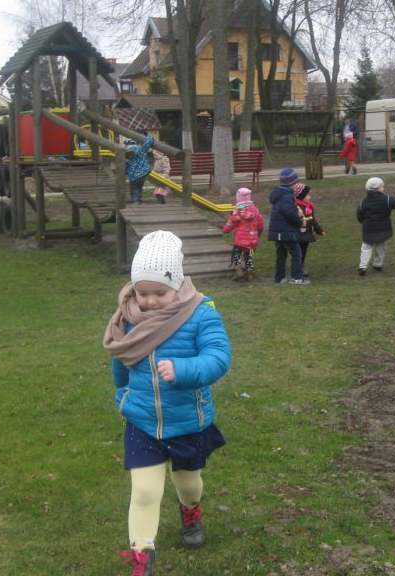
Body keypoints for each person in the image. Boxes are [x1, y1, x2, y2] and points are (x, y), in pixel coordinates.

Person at [103, 230, 232, 576]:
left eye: (159, 292)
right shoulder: (128, 316)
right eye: (142, 292)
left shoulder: (201, 314)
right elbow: (122, 360)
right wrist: (123, 394)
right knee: (144, 492)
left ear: (177, 283)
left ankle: (191, 511)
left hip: (187, 421)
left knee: (188, 484)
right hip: (142, 422)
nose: (149, 301)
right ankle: (141, 559)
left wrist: (183, 369)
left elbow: (219, 357)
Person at [357, 177, 395, 276]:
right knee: (380, 247)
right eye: (382, 186)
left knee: (366, 248)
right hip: (383, 229)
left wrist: (362, 222)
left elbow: (359, 215)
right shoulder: (386, 200)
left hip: (368, 229)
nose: (383, 188)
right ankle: (378, 264)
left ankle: (362, 267)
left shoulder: (363, 202)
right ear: (378, 188)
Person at [268, 168, 307, 285]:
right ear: (292, 183)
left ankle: (279, 278)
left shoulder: (279, 195)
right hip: (285, 231)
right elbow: (289, 213)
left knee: (281, 254)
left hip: (278, 231)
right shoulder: (287, 196)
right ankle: (297, 278)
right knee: (296, 253)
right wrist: (300, 222)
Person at [222, 187, 265, 281]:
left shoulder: (237, 211)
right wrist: (258, 235)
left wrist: (225, 230)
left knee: (236, 255)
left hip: (240, 242)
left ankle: (239, 272)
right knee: (249, 255)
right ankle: (249, 273)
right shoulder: (255, 210)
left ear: (238, 198)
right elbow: (261, 224)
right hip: (252, 241)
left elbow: (231, 223)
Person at [293, 182, 325, 278]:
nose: (309, 197)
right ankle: (297, 269)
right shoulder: (296, 207)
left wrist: (319, 230)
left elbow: (313, 219)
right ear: (301, 196)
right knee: (298, 252)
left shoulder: (309, 206)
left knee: (303, 251)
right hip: (299, 234)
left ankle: (300, 267)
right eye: (307, 195)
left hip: (307, 234)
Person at [125, 135, 155, 204]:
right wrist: (150, 136)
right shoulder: (141, 149)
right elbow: (149, 141)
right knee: (139, 187)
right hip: (143, 174)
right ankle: (139, 199)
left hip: (133, 176)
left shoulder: (127, 155)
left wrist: (126, 172)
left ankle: (135, 202)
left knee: (134, 189)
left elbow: (126, 166)